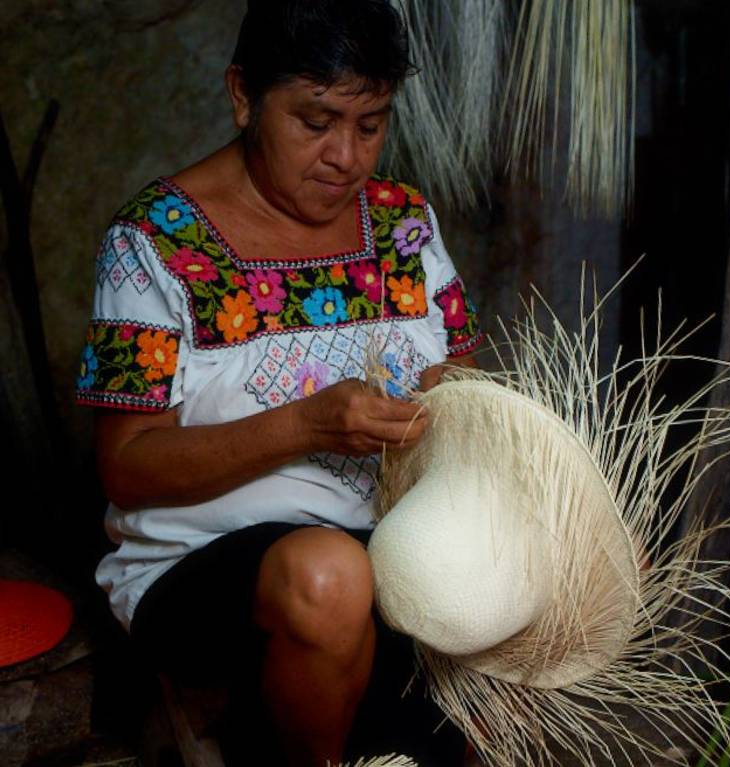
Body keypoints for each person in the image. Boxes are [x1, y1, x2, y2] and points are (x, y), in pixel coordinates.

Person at [74, 2, 481, 764]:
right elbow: (126, 464)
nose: (346, 157)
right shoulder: (156, 241)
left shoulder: (403, 225)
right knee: (328, 573)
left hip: (394, 564)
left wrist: (454, 410)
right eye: (315, 120)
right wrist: (306, 425)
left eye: (370, 124)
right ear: (242, 96)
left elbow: (460, 380)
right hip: (207, 567)